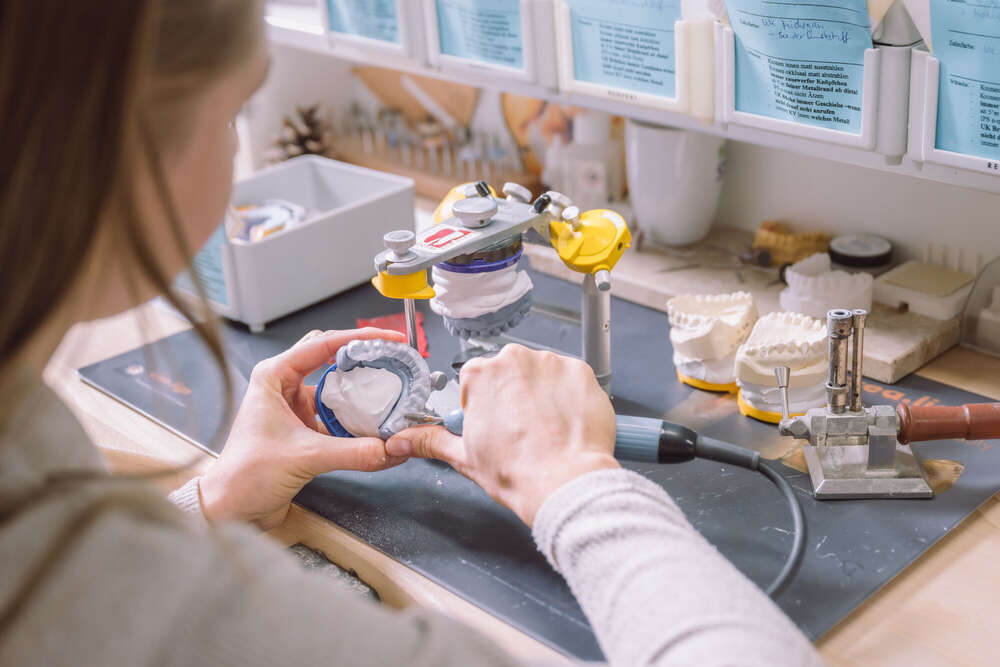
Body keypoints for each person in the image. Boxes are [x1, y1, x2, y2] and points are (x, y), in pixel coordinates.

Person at [0, 1, 822, 665]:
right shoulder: (81, 574)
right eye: (236, 111)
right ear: (106, 144)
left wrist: (209, 502)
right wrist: (578, 483)